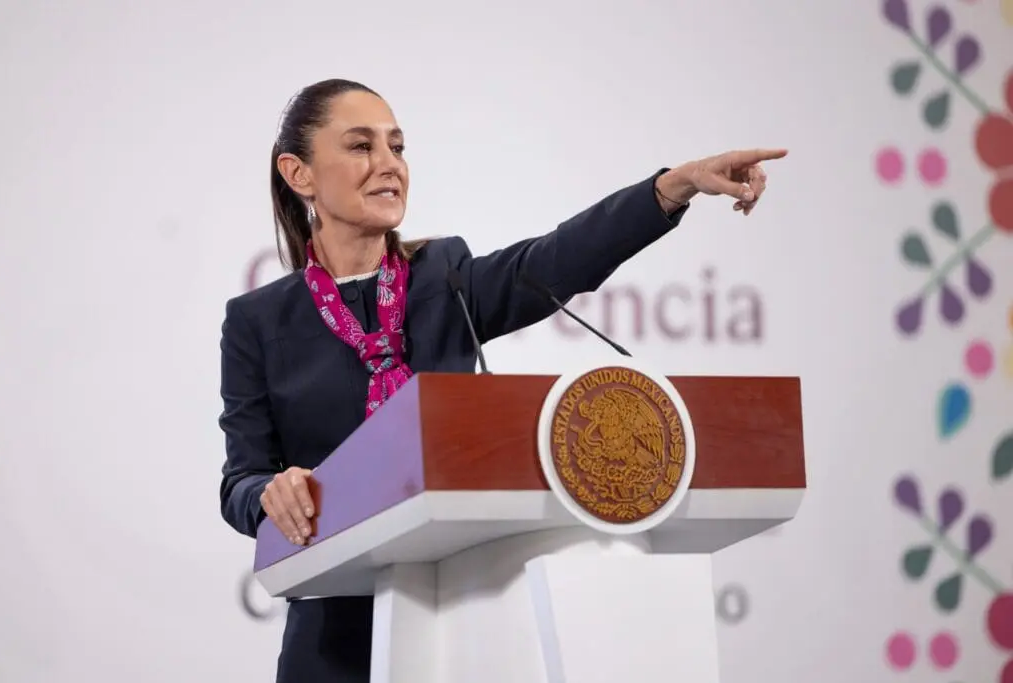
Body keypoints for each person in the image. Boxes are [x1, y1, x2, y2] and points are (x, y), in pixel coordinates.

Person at [217, 77, 787, 682]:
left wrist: (675, 186)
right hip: (331, 638)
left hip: (461, 627)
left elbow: (556, 257)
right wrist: (269, 493)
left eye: (398, 147)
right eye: (361, 147)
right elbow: (240, 481)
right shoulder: (256, 322)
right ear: (299, 173)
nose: (389, 165)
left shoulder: (444, 277)